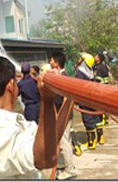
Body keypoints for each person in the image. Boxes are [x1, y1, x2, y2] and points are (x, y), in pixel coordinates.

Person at [0, 56, 74, 179]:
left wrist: (70, 98)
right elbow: (44, 160)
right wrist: (47, 100)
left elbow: (50, 140)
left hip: (31, 109)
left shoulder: (12, 121)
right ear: (11, 86)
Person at [49, 51, 77, 180]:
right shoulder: (60, 75)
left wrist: (62, 115)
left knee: (64, 141)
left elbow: (67, 98)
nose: (49, 62)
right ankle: (64, 163)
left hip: (63, 114)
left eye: (51, 60)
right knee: (64, 140)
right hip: (61, 113)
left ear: (56, 63)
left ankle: (70, 170)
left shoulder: (63, 77)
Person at [75, 52, 102, 150]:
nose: (78, 60)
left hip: (85, 100)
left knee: (88, 120)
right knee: (96, 118)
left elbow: (78, 88)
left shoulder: (80, 73)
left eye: (80, 59)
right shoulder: (90, 72)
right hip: (93, 99)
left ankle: (91, 142)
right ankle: (100, 138)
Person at [93, 52, 110, 138]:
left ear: (99, 58)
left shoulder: (99, 67)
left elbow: (98, 79)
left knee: (100, 105)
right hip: (106, 88)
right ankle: (106, 118)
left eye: (96, 56)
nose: (94, 57)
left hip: (101, 89)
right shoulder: (103, 66)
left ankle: (103, 119)